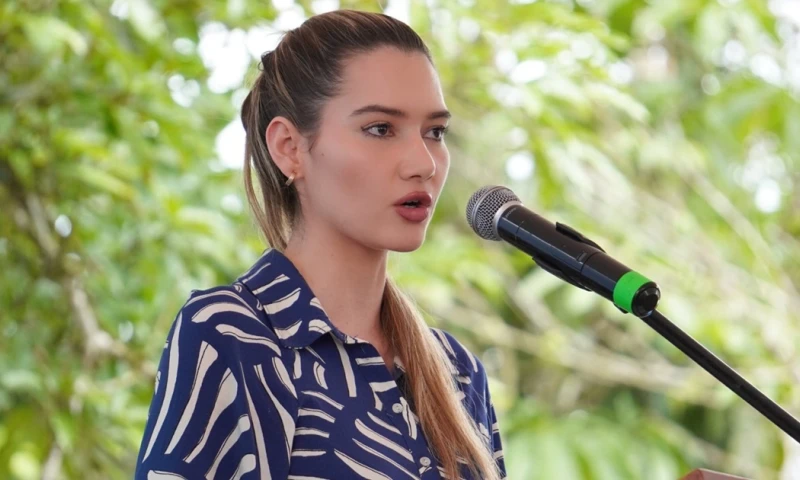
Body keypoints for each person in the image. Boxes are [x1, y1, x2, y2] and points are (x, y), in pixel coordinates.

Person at [135, 9, 506, 480]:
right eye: (380, 129)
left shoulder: (458, 373)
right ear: (290, 147)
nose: (424, 163)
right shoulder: (234, 336)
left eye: (434, 132)